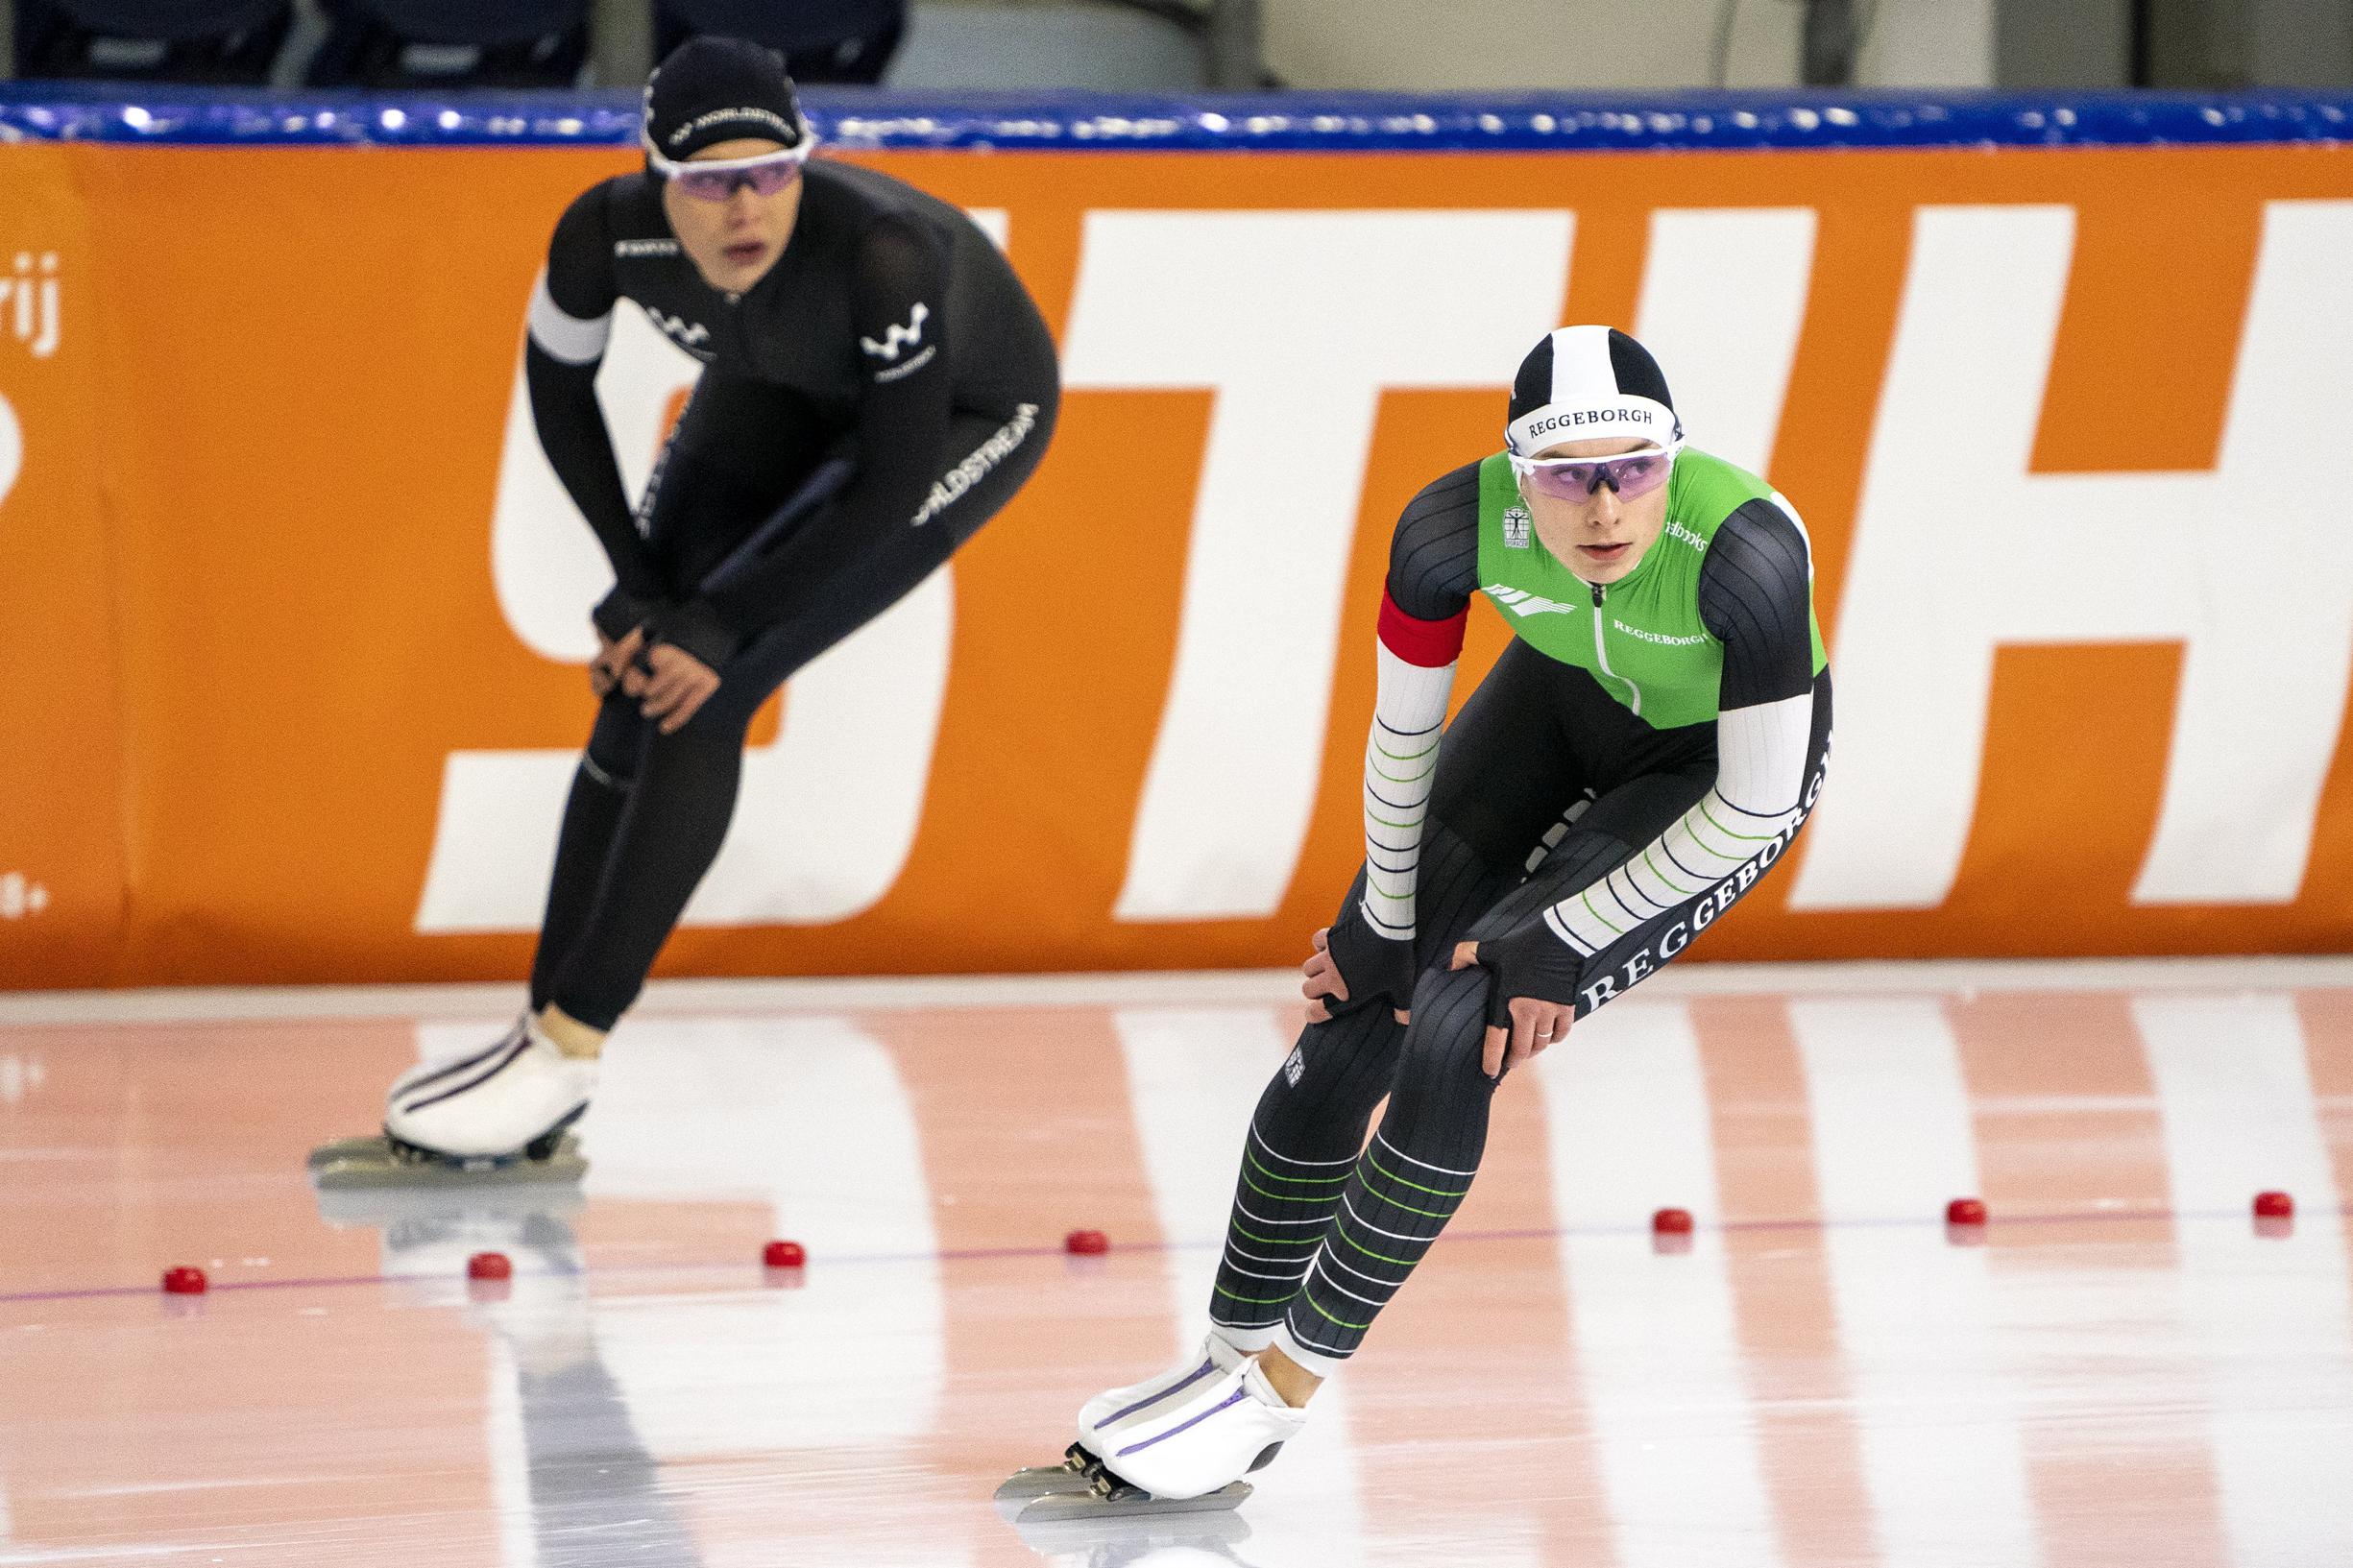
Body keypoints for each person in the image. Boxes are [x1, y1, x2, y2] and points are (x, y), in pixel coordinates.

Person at [1056, 326, 1831, 1506]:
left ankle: (1278, 1393)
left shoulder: (1746, 557)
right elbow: (1402, 735)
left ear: (1674, 456)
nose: (1605, 505)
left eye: (1633, 467)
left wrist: (1570, 933)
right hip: (1557, 703)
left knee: (1453, 1025)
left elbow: (1758, 800)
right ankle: (1218, 1365)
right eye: (1567, 475)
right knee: (1349, 1029)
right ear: (1517, 473)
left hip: (1704, 779)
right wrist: (1379, 907)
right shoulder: (1443, 528)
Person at [375, 36, 1059, 1168]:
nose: (745, 209)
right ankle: (537, 1042)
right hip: (776, 379)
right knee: (641, 671)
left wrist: (722, 617)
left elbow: (887, 483)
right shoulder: (602, 235)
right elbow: (558, 399)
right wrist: (637, 583)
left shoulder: (880, 253)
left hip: (961, 421)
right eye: (707, 181)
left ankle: (573, 1041)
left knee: (710, 680)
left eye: (772, 172)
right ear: (655, 179)